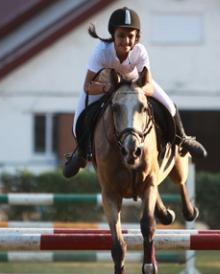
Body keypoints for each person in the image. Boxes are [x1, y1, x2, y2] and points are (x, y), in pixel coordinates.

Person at [62, 7, 207, 178]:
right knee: (80, 118)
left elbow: (149, 86)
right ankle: (81, 154)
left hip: (134, 83)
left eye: (130, 36)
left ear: (136, 37)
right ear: (113, 35)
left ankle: (182, 138)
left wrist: (137, 92)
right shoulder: (101, 52)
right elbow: (87, 86)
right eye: (121, 36)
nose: (126, 41)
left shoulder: (140, 51)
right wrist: (105, 88)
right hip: (103, 84)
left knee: (169, 105)